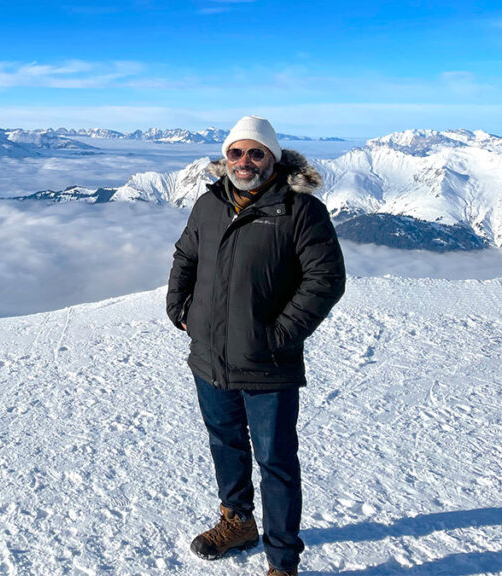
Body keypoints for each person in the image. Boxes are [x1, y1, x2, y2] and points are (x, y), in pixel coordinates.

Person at [166, 116, 346, 576]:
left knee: (276, 461)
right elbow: (186, 255)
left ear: (274, 158)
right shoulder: (209, 203)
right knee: (225, 443)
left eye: (255, 153)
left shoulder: (300, 210)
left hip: (268, 363)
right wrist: (180, 308)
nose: (244, 162)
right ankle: (238, 522)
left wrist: (279, 335)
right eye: (235, 153)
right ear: (225, 159)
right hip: (209, 356)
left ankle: (282, 561)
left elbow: (326, 279)